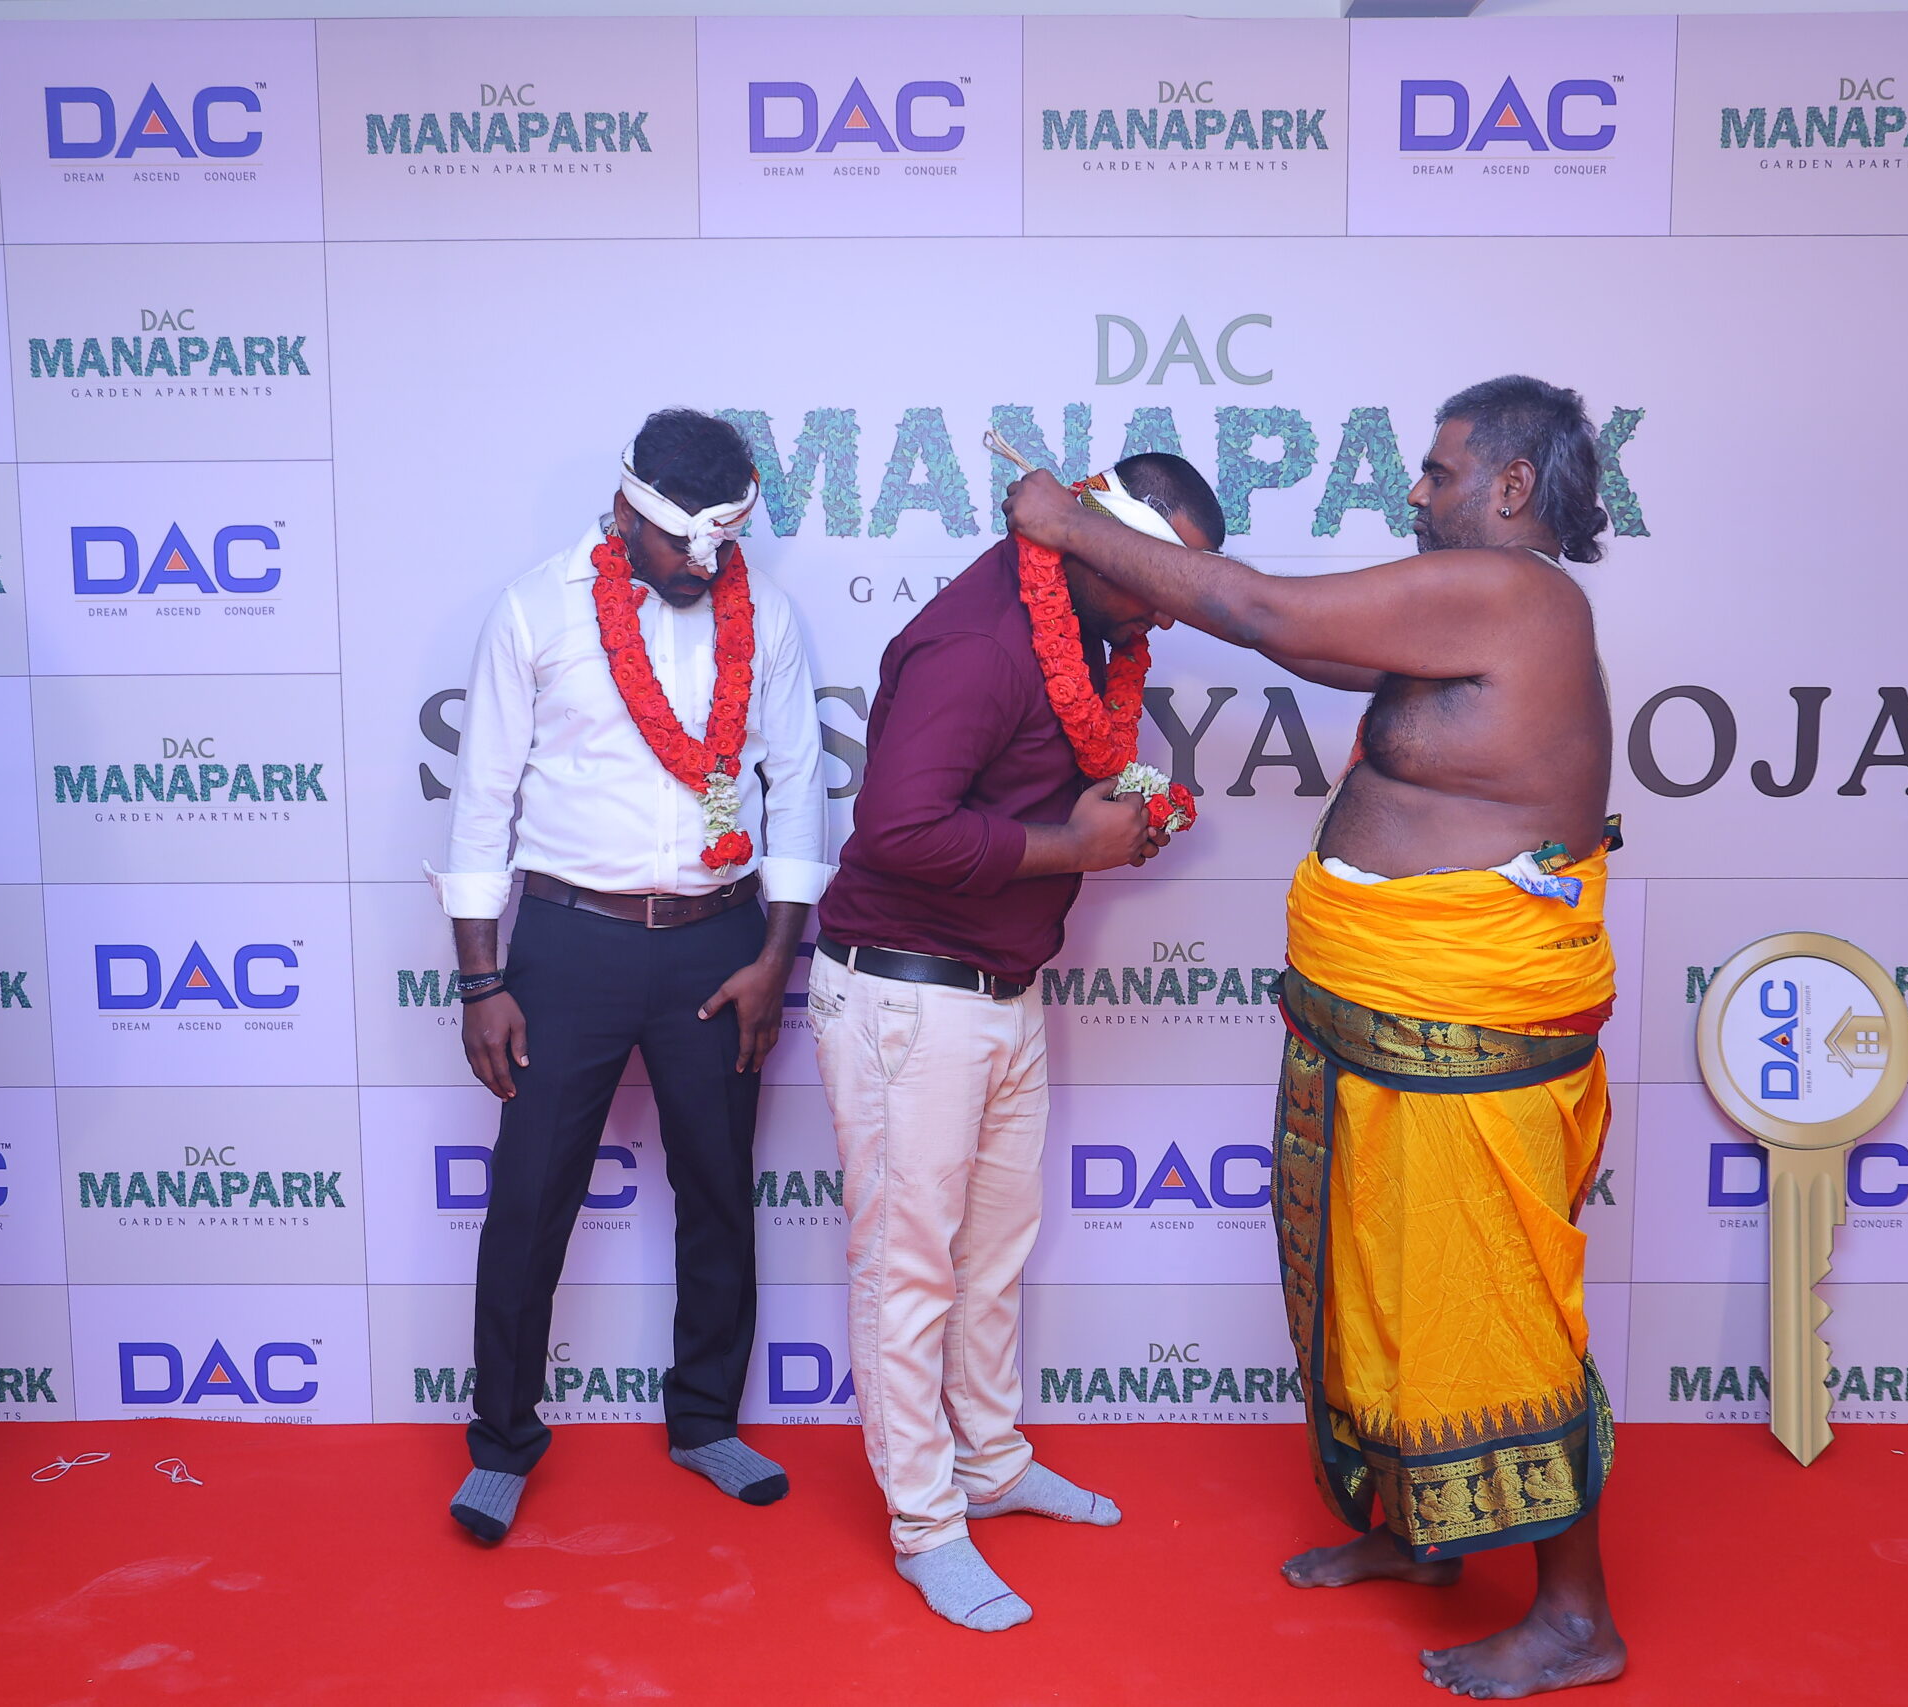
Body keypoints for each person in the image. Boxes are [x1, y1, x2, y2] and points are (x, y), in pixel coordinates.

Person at [1003, 377, 1625, 1698]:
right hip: (1379, 1012)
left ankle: (1575, 1616)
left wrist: (1066, 523)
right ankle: (1421, 1533)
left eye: (1439, 471)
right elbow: (1317, 651)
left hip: (1459, 1022)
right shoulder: (1460, 606)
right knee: (1376, 1284)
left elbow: (1266, 611)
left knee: (1490, 1307)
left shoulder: (1513, 593)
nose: (1417, 490)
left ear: (1511, 486)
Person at [812, 452, 1221, 1631]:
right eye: (1151, 574)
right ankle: (924, 1523)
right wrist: (1075, 850)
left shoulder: (1083, 630)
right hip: (908, 996)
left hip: (1000, 988)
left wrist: (1110, 826)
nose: (1164, 605)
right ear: (1087, 535)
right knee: (909, 1271)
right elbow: (895, 831)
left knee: (990, 1257)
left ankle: (988, 1463)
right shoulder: (980, 647)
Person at [432, 410, 830, 1543]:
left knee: (718, 1190)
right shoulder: (535, 609)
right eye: (684, 543)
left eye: (724, 541)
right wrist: (480, 983)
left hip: (720, 940)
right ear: (626, 512)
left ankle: (704, 1419)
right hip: (571, 942)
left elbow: (797, 785)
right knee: (529, 1200)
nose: (707, 563)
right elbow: (482, 803)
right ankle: (502, 1441)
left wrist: (773, 958)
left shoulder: (767, 617)